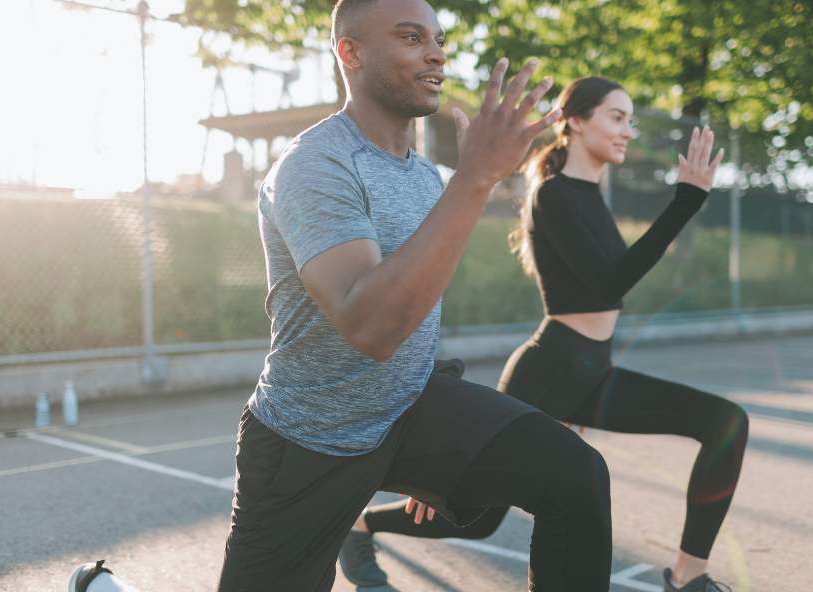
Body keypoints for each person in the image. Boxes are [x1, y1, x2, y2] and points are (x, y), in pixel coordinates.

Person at [67, 1, 626, 591]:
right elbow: (372, 326)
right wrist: (475, 179)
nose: (436, 52)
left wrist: (447, 455)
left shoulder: (420, 174)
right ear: (350, 53)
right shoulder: (315, 167)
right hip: (311, 440)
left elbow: (415, 303)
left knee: (575, 476)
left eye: (438, 38)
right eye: (411, 37)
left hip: (408, 411)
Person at [342, 77, 748, 592]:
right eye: (617, 117)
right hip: (551, 368)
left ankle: (689, 576)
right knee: (478, 513)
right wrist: (684, 203)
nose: (628, 130)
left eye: (630, 119)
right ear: (576, 120)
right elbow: (607, 283)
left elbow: (608, 284)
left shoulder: (590, 195)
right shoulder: (552, 195)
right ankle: (360, 523)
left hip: (592, 371)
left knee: (724, 423)